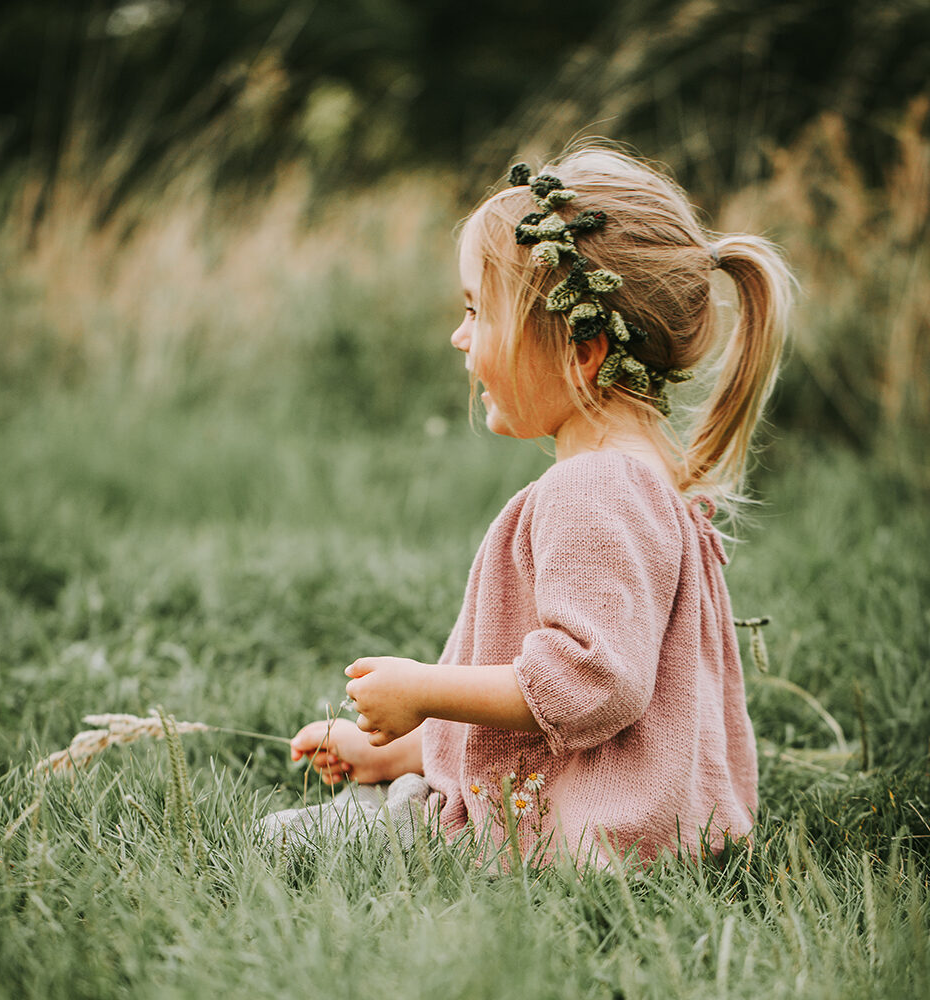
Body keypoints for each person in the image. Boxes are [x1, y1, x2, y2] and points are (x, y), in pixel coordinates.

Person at [262, 147, 792, 865]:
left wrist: (422, 688)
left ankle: (426, 805)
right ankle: (411, 774)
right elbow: (560, 710)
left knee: (285, 842)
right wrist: (399, 748)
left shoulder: (592, 489)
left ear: (582, 352)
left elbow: (586, 684)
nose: (459, 336)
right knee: (371, 798)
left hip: (573, 830)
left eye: (478, 312)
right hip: (630, 812)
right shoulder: (641, 481)